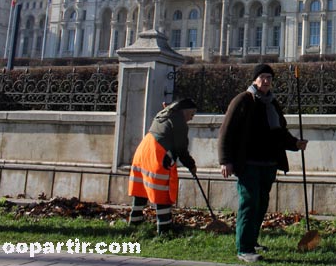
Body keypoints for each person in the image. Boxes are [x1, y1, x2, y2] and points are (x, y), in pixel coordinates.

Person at [218, 64, 308, 263]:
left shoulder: (272, 104)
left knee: (261, 204)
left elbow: (279, 132)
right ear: (254, 80)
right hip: (249, 162)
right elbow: (227, 131)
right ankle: (244, 248)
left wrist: (295, 143)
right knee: (249, 204)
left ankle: (253, 240)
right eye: (262, 77)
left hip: (268, 163)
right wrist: (225, 160)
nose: (266, 81)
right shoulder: (243, 100)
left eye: (269, 77)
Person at [128, 98, 198, 235]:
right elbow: (181, 148)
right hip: (158, 155)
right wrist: (191, 165)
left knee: (141, 188)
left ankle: (135, 222)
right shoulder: (179, 121)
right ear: (185, 110)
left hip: (143, 151)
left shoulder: (164, 114)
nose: (191, 118)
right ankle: (164, 229)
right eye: (192, 114)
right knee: (163, 191)